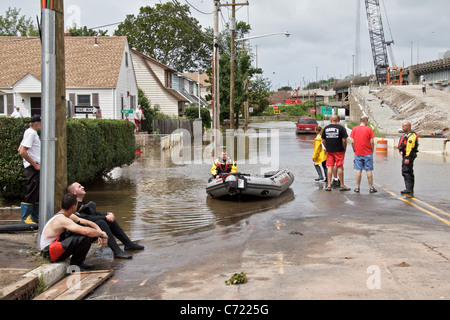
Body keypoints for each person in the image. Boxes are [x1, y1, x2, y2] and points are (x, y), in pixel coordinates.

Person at [67, 182, 144, 259]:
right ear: (74, 192)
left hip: (87, 229)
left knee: (110, 219)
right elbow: (85, 218)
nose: (83, 187)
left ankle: (128, 244)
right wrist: (105, 217)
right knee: (102, 222)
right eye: (79, 187)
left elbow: (93, 214)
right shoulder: (74, 205)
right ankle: (117, 251)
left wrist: (106, 214)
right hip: (80, 235)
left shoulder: (81, 203)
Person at [40, 193, 108, 271]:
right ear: (73, 206)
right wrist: (102, 234)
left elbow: (89, 223)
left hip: (55, 248)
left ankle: (80, 263)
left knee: (88, 231)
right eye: (77, 204)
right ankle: (75, 266)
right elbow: (86, 232)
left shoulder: (68, 215)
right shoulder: (62, 219)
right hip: (49, 253)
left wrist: (99, 233)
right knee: (84, 236)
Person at [18, 114, 41, 223]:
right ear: (36, 123)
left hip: (34, 166)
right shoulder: (31, 133)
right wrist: (34, 164)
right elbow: (22, 151)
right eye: (41, 123)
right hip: (33, 167)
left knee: (36, 191)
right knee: (32, 190)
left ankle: (35, 216)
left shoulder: (30, 132)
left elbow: (20, 148)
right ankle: (26, 217)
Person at [323, 115, 350, 191]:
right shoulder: (341, 128)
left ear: (331, 120)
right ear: (338, 120)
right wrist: (344, 149)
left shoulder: (326, 128)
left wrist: (326, 147)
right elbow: (344, 140)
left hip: (329, 150)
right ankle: (342, 185)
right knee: (340, 166)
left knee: (330, 166)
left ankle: (328, 185)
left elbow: (323, 140)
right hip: (339, 150)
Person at [350, 116, 377, 193]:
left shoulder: (355, 129)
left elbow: (352, 141)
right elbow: (372, 141)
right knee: (369, 170)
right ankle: (371, 187)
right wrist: (372, 150)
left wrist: (354, 149)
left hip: (358, 152)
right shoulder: (368, 129)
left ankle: (357, 187)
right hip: (368, 152)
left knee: (358, 170)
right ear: (365, 121)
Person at [398, 122, 419, 195]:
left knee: (406, 171)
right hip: (407, 155)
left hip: (409, 155)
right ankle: (410, 188)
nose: (402, 128)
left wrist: (407, 157)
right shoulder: (408, 135)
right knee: (409, 172)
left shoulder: (411, 135)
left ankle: (408, 189)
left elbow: (409, 147)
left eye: (403, 127)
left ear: (408, 126)